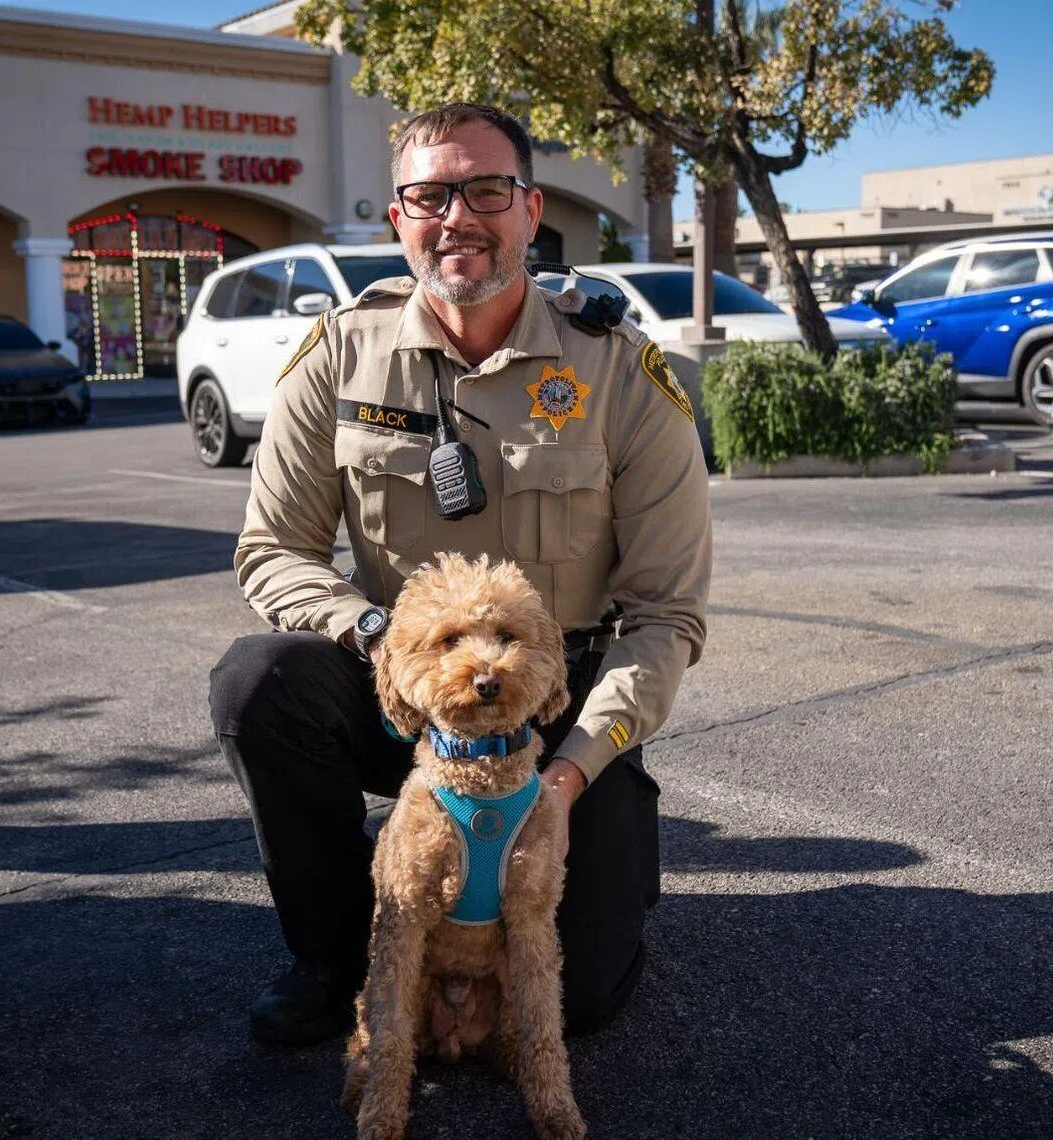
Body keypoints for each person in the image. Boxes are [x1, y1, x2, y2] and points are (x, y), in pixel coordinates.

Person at [209, 102, 712, 1046]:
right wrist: (379, 640)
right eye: (430, 194)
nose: (458, 217)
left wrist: (565, 781)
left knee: (581, 1001)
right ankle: (332, 948)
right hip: (402, 685)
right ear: (396, 218)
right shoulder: (338, 356)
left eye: (486, 190)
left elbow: (666, 614)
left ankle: (579, 863)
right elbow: (272, 550)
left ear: (530, 209)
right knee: (258, 680)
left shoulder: (621, 374)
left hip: (560, 704)